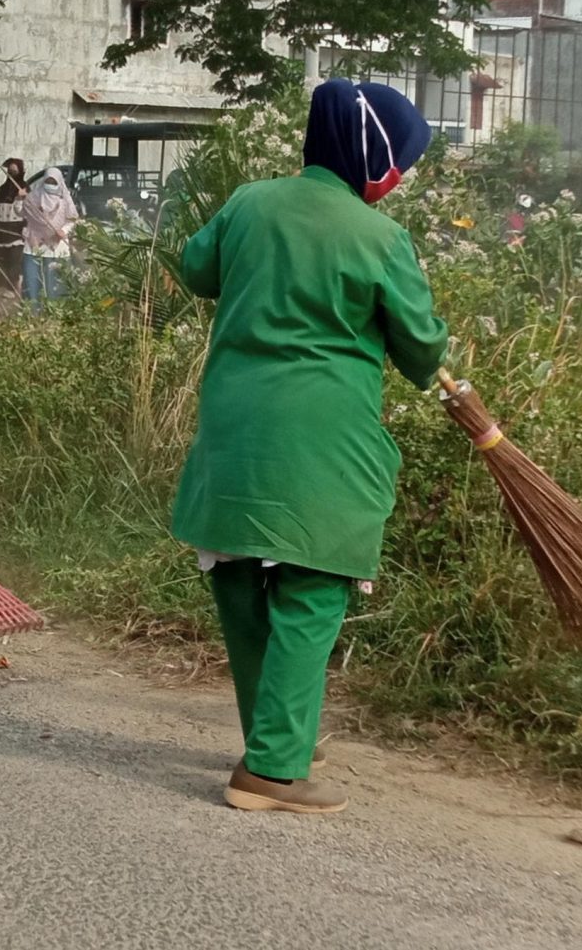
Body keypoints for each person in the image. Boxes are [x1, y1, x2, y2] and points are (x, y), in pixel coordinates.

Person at [170, 78, 447, 815]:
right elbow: (422, 353)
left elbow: (196, 269)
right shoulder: (380, 236)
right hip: (323, 444)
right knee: (311, 590)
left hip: (235, 434)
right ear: (374, 163)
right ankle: (272, 769)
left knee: (239, 582)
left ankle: (278, 734)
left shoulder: (247, 202)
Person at [22, 166, 79, 302]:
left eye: (54, 182)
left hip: (57, 248)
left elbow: (73, 220)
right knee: (32, 284)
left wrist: (63, 231)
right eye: (48, 181)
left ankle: (55, 317)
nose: (50, 185)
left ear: (60, 182)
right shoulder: (32, 198)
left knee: (56, 286)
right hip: (34, 246)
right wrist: (19, 199)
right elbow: (20, 212)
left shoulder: (65, 200)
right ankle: (33, 316)